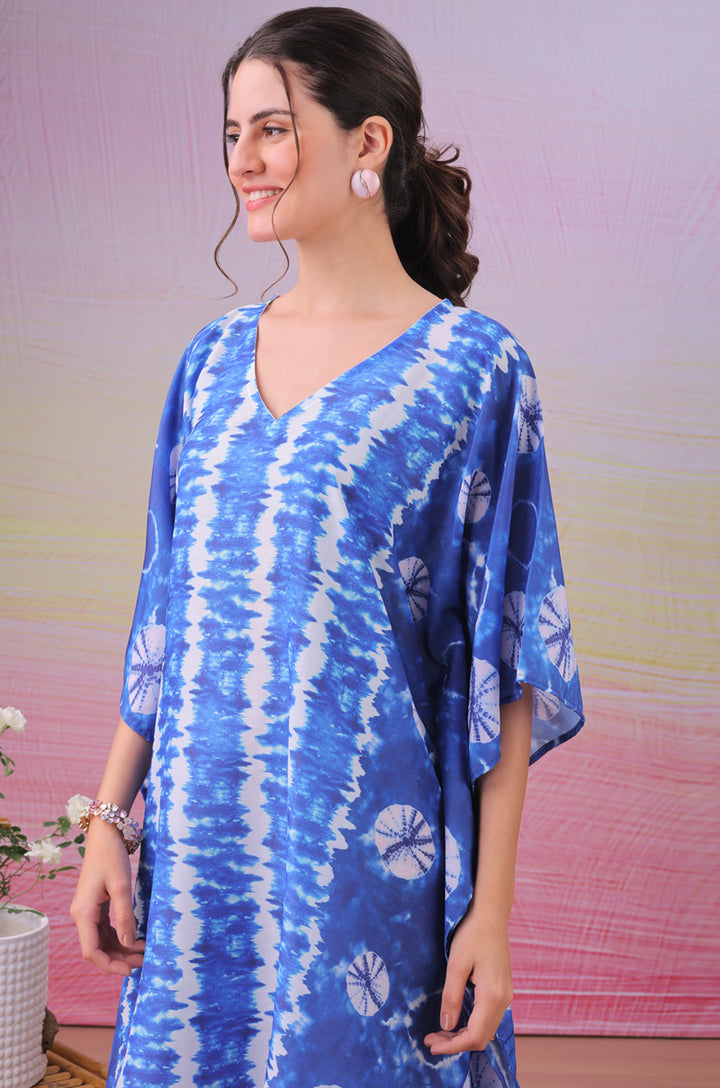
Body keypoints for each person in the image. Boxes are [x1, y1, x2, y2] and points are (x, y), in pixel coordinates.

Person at [71, 7, 584, 1087]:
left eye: (272, 128)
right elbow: (166, 616)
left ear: (369, 141)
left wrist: (491, 913)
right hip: (198, 858)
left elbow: (505, 660)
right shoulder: (209, 364)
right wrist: (111, 819)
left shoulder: (474, 371)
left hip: (356, 859)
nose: (242, 162)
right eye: (231, 134)